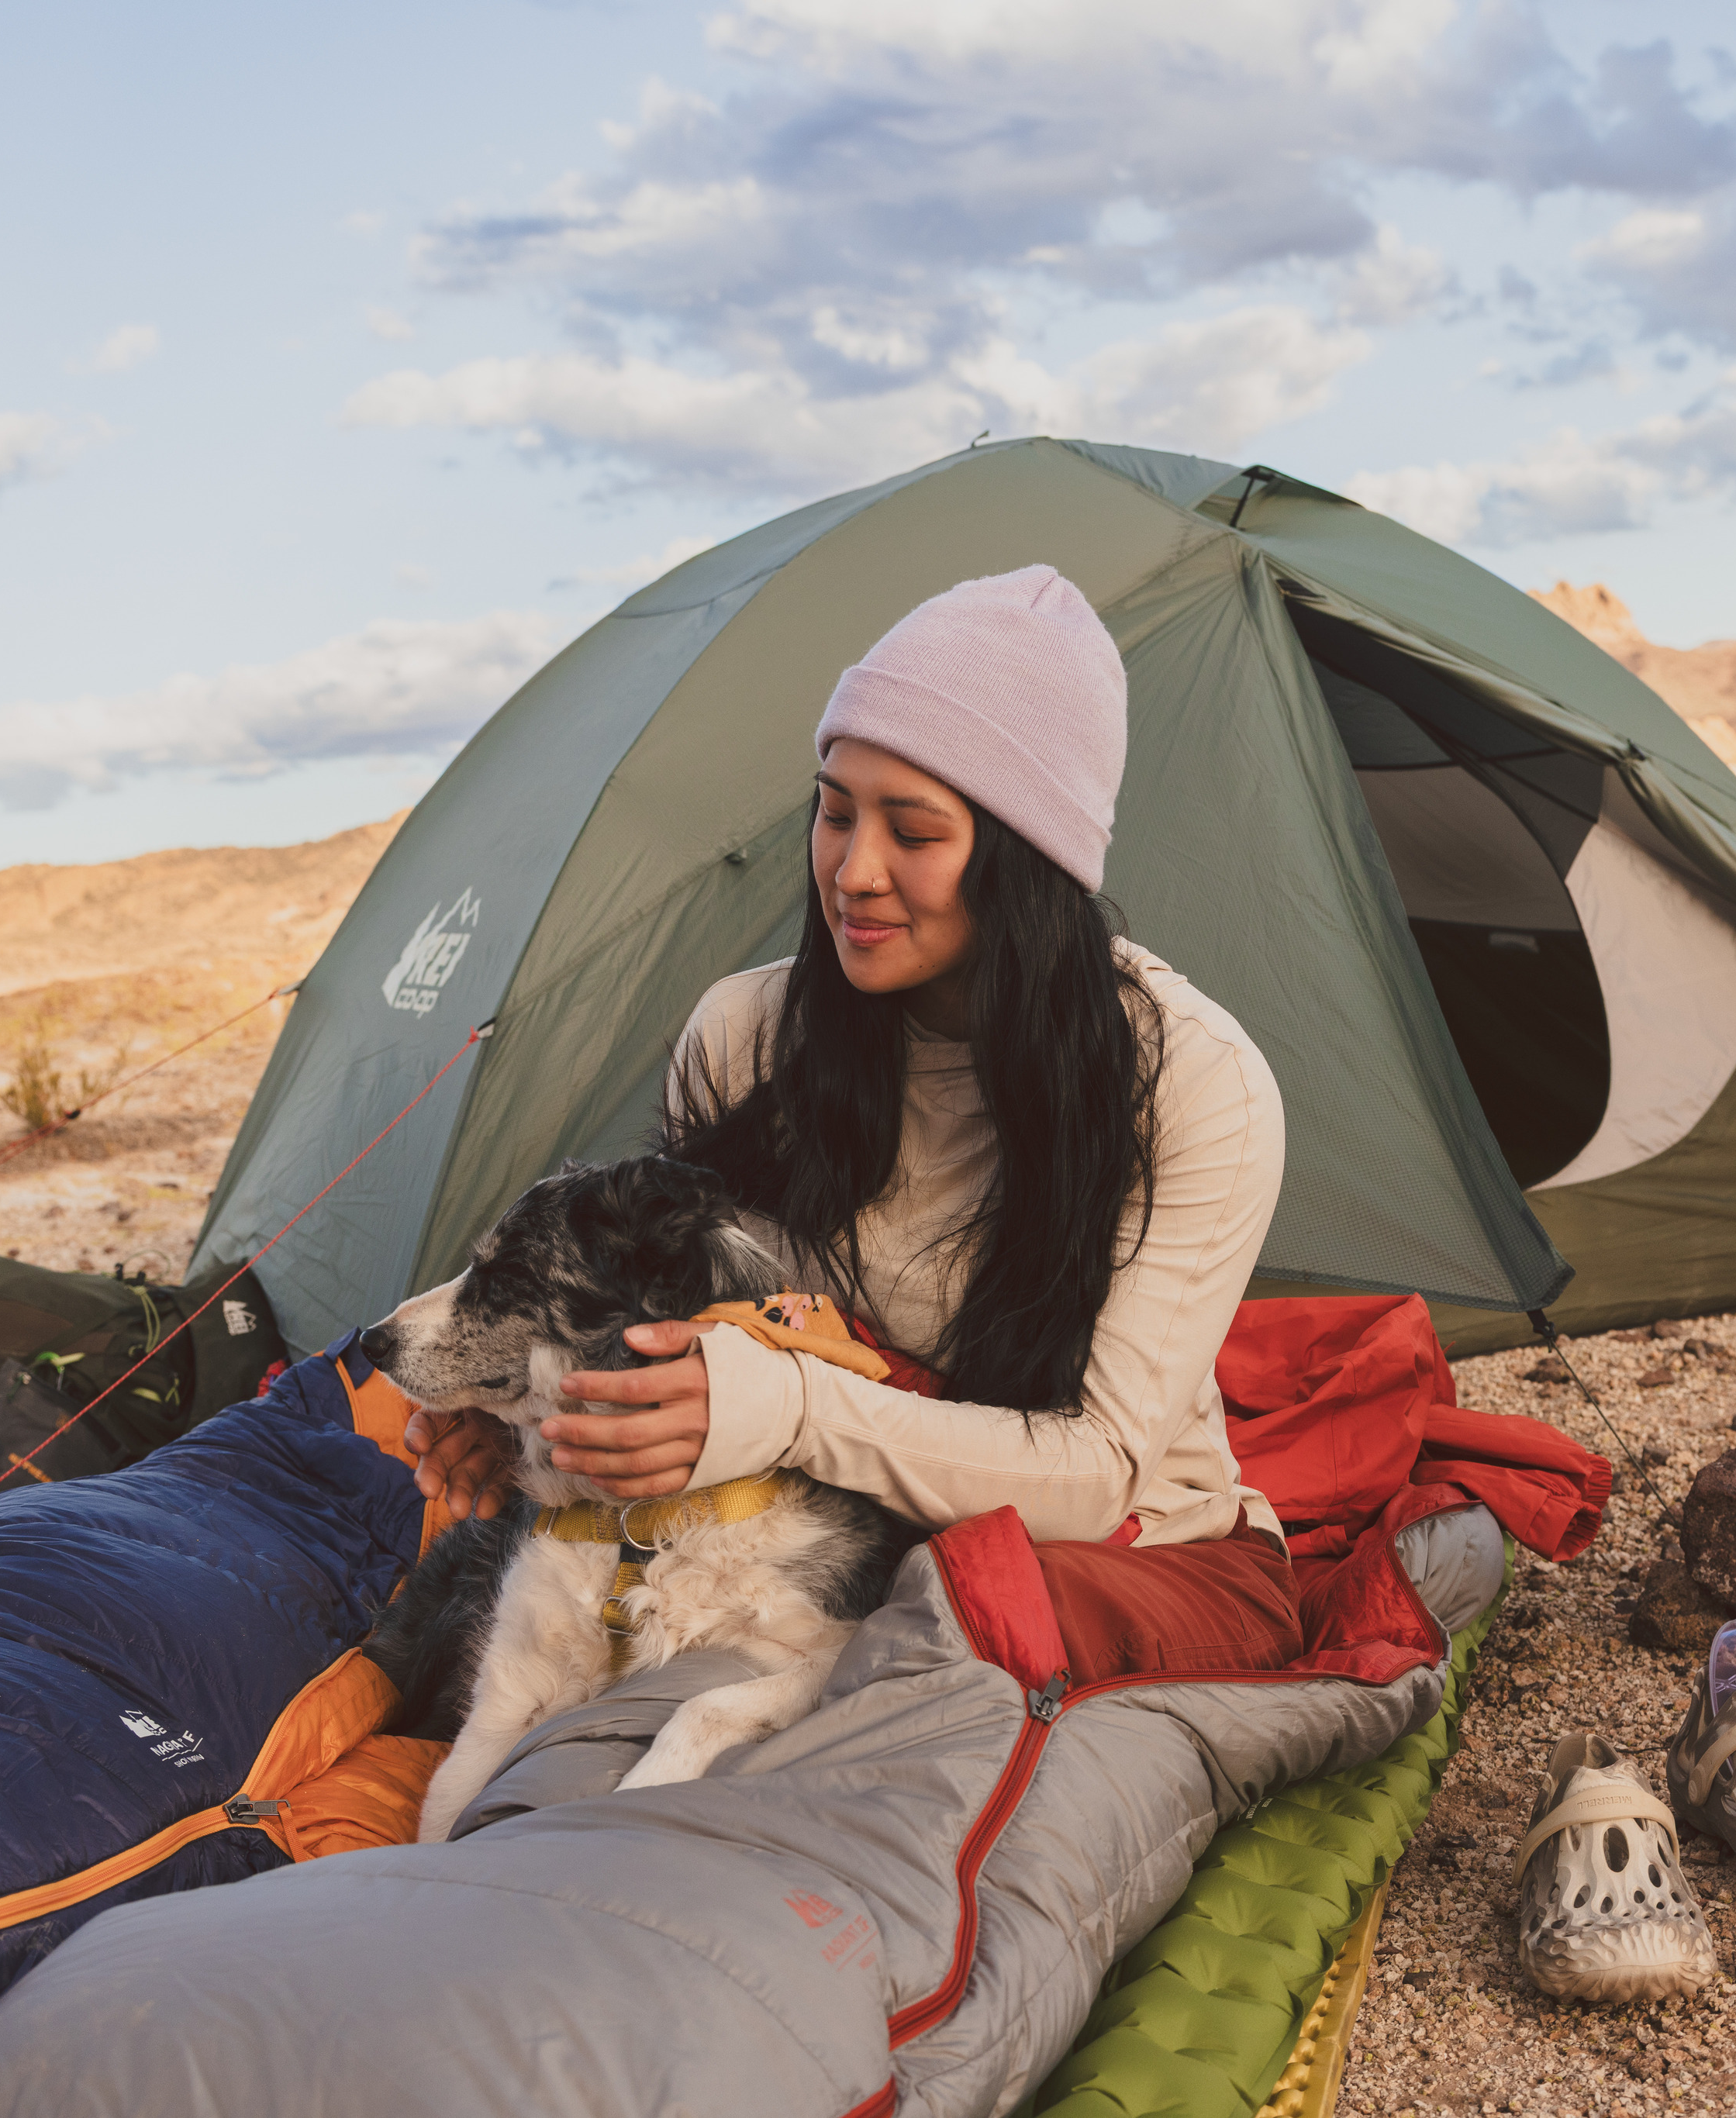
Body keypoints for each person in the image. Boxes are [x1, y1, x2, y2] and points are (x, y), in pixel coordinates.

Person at [407, 561, 1303, 1674]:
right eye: (835, 815)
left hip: (1102, 1560)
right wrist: (534, 1409)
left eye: (913, 833)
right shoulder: (745, 1035)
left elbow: (1097, 1474)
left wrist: (793, 1410)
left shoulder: (1192, 1083)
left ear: (1027, 861)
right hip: (798, 1546)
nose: (854, 871)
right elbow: (679, 1336)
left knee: (919, 1655)